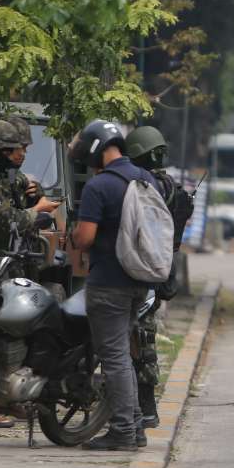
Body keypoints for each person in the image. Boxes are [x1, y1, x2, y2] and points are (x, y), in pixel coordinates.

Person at [0, 118, 60, 428]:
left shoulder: (4, 179)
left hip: (8, 270)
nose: (24, 153)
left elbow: (24, 191)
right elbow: (13, 221)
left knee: (10, 336)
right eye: (19, 149)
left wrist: (34, 191)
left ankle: (5, 399)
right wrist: (39, 209)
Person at [70, 120, 163, 451]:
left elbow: (85, 238)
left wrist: (73, 234)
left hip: (108, 282)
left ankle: (123, 430)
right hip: (140, 282)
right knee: (123, 354)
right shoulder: (145, 178)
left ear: (96, 149)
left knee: (115, 358)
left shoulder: (100, 186)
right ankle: (135, 427)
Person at [124, 125, 195, 429]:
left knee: (138, 341)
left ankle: (142, 408)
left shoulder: (146, 187)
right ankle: (144, 406)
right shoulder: (170, 188)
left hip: (140, 271)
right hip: (159, 270)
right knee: (144, 340)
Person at [4, 114, 44, 209]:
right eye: (22, 147)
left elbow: (19, 206)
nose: (23, 153)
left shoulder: (12, 173)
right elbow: (12, 219)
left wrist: (35, 196)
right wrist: (39, 208)